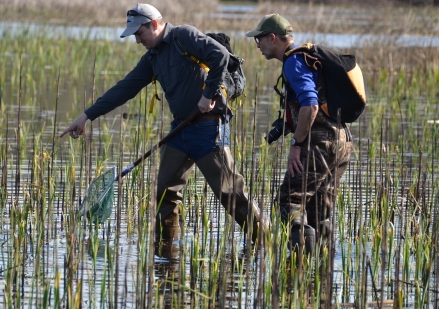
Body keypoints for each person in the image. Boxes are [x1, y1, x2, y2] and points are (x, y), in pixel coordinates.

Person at [60, 4, 268, 253]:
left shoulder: (184, 36)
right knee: (164, 194)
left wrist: (208, 92)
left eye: (139, 33)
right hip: (180, 132)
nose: (138, 40)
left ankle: (268, 243)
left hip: (207, 128)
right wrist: (86, 116)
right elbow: (124, 89)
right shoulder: (152, 59)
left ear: (155, 24)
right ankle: (166, 251)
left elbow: (221, 56)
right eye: (135, 35)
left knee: (229, 193)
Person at [246, 14, 353, 254]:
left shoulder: (293, 62)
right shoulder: (308, 58)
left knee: (288, 202)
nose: (259, 46)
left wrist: (296, 145)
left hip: (320, 143)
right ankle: (323, 275)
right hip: (342, 140)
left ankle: (298, 274)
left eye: (259, 40)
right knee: (319, 210)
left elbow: (311, 105)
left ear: (273, 38)